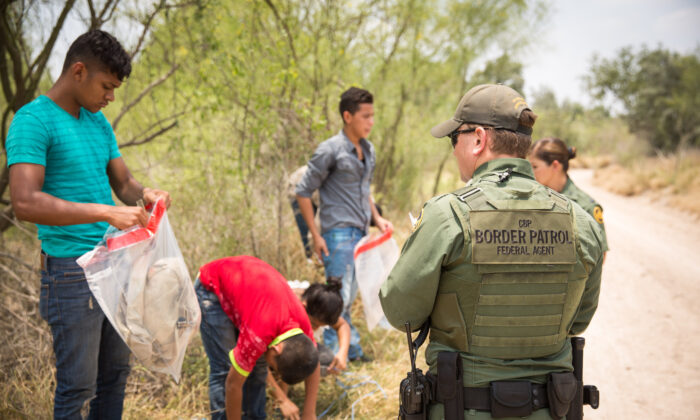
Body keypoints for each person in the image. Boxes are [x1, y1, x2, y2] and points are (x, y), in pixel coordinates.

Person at [379, 84, 604, 419]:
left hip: (461, 409)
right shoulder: (581, 222)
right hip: (550, 408)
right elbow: (580, 320)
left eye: (454, 139)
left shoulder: (449, 216)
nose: (453, 149)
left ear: (479, 139)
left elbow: (401, 312)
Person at [6, 30, 170, 419]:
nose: (110, 97)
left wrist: (146, 194)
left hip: (114, 265)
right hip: (71, 272)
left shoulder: (98, 124)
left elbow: (123, 185)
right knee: (78, 386)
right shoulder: (33, 121)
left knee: (114, 377)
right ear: (78, 71)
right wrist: (106, 213)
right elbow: (25, 202)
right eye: (106, 86)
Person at [295, 87, 392, 362]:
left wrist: (377, 218)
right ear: (347, 116)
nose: (371, 122)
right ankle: (330, 358)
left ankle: (351, 351)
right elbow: (302, 192)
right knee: (335, 299)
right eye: (365, 116)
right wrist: (315, 235)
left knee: (350, 298)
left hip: (361, 233)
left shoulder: (368, 149)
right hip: (336, 235)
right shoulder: (330, 150)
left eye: (373, 116)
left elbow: (364, 190)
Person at [195, 256, 320, 420]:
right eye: (273, 366)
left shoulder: (302, 326)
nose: (272, 371)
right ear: (277, 347)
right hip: (212, 288)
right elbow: (233, 384)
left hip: (250, 291)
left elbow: (313, 361)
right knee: (225, 369)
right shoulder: (259, 335)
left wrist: (309, 413)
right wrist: (282, 400)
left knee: (259, 368)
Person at [266, 278, 350, 419]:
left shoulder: (321, 306)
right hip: (271, 350)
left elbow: (343, 326)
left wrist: (342, 353)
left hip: (290, 349)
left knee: (326, 359)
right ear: (303, 307)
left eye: (321, 326)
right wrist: (282, 399)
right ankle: (271, 391)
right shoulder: (288, 310)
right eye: (314, 324)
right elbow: (287, 357)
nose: (315, 329)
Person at [529, 138, 609, 254]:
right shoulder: (532, 197)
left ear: (555, 166)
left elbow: (598, 255)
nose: (531, 172)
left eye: (535, 167)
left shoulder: (585, 206)